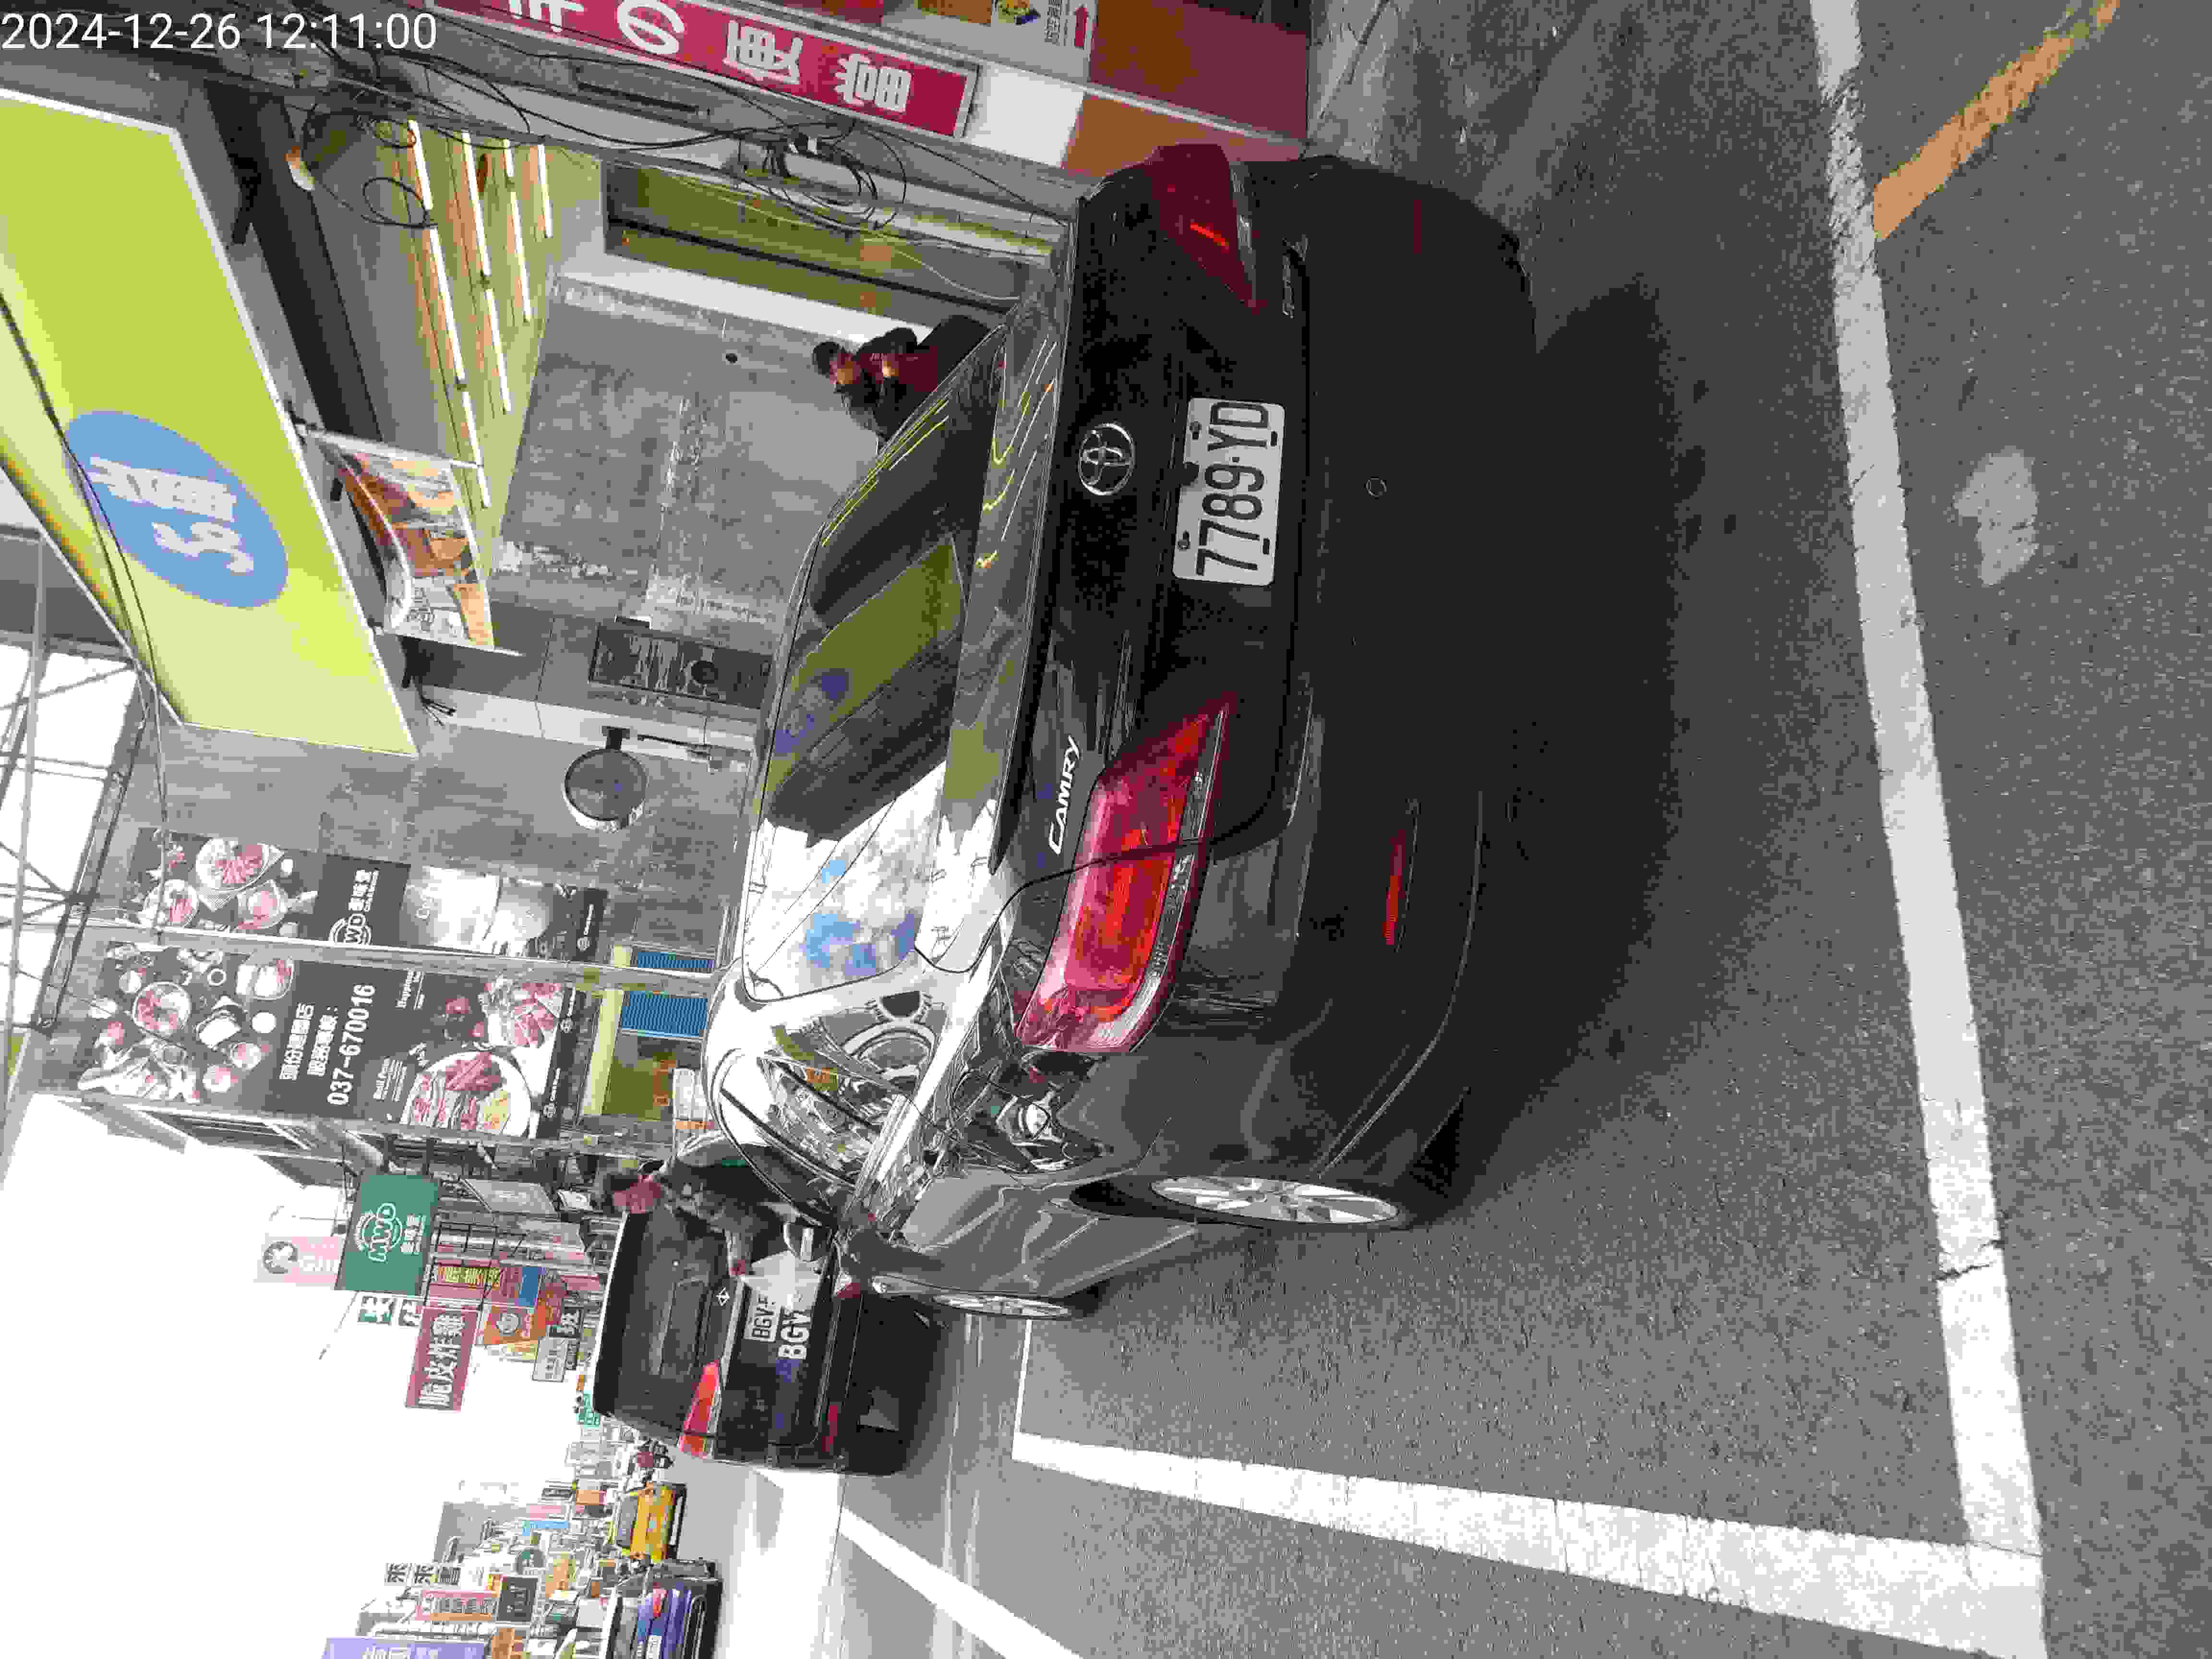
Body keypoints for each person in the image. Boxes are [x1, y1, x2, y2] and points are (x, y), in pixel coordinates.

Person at [811, 316, 991, 445]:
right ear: (834, 378)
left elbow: (905, 335)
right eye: (843, 363)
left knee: (955, 325)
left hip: (927, 362)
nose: (851, 360)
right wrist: (889, 379)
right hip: (924, 399)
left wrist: (895, 353)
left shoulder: (866, 353)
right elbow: (888, 422)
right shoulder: (855, 406)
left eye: (845, 353)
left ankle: (1000, 343)